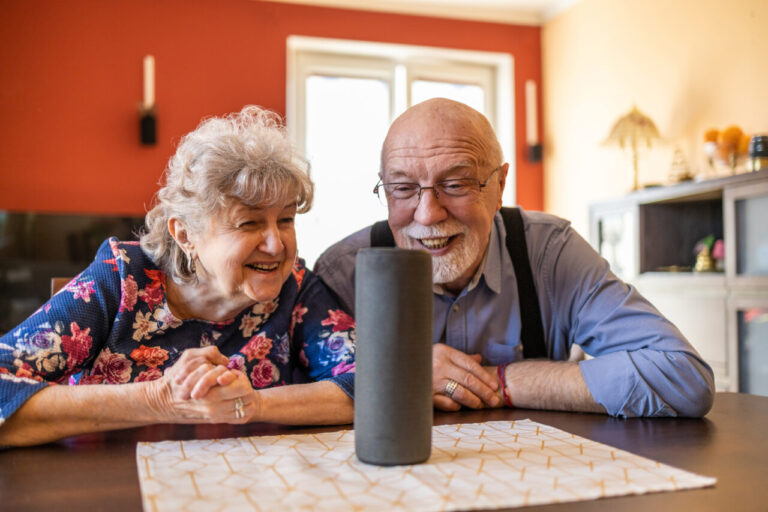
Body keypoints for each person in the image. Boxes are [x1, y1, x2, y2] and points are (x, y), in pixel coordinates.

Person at [315, 98, 714, 418]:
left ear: (500, 184)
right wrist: (405, 372)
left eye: (455, 184)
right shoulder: (344, 272)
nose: (427, 214)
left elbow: (682, 377)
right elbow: (301, 395)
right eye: (402, 188)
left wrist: (498, 381)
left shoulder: (550, 253)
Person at [0, 106, 355, 447]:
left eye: (286, 220)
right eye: (249, 223)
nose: (277, 245)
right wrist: (160, 398)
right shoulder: (122, 279)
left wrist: (254, 405)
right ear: (185, 235)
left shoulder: (295, 288)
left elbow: (375, 384)